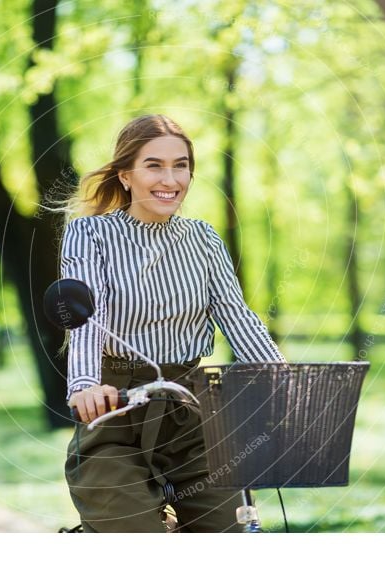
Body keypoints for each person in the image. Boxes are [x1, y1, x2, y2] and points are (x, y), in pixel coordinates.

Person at [59, 114, 285, 532]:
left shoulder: (202, 238)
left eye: (181, 165)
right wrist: (85, 385)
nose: (171, 178)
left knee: (230, 534)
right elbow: (87, 317)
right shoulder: (89, 234)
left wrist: (282, 376)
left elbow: (236, 315)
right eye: (154, 165)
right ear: (125, 175)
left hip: (193, 410)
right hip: (115, 407)